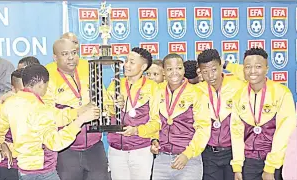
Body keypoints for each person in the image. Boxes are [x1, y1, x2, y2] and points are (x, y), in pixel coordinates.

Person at [0, 64, 99, 180]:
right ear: (41, 84)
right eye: (47, 85)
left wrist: (78, 112)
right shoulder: (41, 109)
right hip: (42, 172)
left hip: (23, 169)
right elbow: (55, 143)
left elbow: (0, 130)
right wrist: (80, 121)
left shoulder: (9, 103)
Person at [43, 39, 110, 180]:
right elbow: (48, 115)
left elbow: (103, 98)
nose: (71, 57)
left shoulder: (88, 67)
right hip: (67, 149)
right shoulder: (47, 76)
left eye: (74, 53)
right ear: (55, 57)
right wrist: (78, 112)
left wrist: (113, 106)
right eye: (65, 54)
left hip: (94, 145)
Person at [230, 48, 297, 180]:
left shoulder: (282, 93)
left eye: (258, 66)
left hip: (274, 161)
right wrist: (237, 165)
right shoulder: (239, 96)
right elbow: (236, 133)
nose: (253, 71)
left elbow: (284, 131)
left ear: (267, 68)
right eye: (248, 67)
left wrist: (270, 167)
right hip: (249, 162)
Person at [151, 54, 211, 180]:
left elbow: (203, 129)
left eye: (178, 68)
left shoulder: (197, 93)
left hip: (189, 160)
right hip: (162, 159)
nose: (174, 73)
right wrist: (154, 140)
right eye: (169, 69)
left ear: (183, 69)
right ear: (163, 72)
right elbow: (154, 120)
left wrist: (187, 155)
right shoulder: (157, 91)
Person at [105, 47, 160, 180]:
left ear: (143, 66)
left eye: (132, 62)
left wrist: (136, 130)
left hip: (140, 150)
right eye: (126, 61)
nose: (126, 65)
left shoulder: (152, 88)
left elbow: (157, 122)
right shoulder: (116, 84)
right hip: (116, 150)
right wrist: (116, 107)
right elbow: (107, 113)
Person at [195, 49, 245, 180]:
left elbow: (251, 74)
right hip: (208, 153)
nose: (210, 75)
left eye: (214, 69)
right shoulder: (197, 91)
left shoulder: (237, 85)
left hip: (233, 152)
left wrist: (227, 64)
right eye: (205, 72)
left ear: (220, 66)